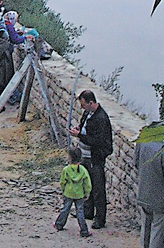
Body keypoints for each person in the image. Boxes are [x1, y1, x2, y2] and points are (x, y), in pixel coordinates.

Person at [68, 90, 113, 230]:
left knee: (98, 188)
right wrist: (79, 129)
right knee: (85, 185)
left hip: (95, 157)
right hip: (84, 155)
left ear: (91, 103)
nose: (82, 108)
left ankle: (100, 219)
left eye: (83, 105)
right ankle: (88, 212)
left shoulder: (101, 118)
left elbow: (97, 141)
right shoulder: (88, 113)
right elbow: (85, 128)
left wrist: (79, 135)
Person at [135, 139, 164, 248]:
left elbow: (136, 163)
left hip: (143, 192)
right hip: (159, 197)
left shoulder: (141, 143)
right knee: (157, 229)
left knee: (145, 225)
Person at [54, 146, 92, 236]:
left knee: (65, 209)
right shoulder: (83, 170)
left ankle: (59, 224)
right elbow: (87, 184)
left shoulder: (66, 170)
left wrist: (63, 191)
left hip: (68, 193)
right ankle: (84, 230)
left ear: (69, 157)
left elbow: (62, 182)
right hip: (79, 194)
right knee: (80, 212)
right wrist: (87, 193)